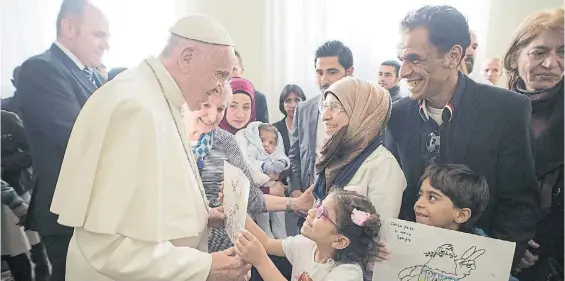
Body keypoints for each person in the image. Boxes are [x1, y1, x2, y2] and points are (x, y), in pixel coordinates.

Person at [49, 14, 252, 281]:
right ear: (187, 58)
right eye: (219, 74)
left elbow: (151, 198)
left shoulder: (161, 98)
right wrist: (205, 267)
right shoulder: (135, 108)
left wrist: (200, 217)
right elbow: (107, 246)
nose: (221, 87)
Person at [384, 5, 540, 268]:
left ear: (453, 55)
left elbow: (519, 200)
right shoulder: (397, 114)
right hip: (409, 262)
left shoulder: (506, 109)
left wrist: (497, 261)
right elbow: (395, 194)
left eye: (415, 59)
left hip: (477, 262)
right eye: (402, 59)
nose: (404, 72)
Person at [14, 0, 109, 279]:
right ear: (69, 27)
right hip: (67, 209)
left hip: (94, 207)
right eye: (99, 34)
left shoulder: (90, 75)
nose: (106, 45)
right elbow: (74, 137)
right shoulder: (41, 69)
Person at [184, 85, 313, 253]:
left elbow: (250, 196)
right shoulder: (169, 140)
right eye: (206, 105)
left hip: (224, 248)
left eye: (221, 108)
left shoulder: (227, 141)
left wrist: (296, 203)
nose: (213, 115)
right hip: (180, 248)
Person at [502, 8, 564, 280]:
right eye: (540, 52)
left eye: (562, 52)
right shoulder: (493, 110)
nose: (551, 64)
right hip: (495, 249)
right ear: (515, 57)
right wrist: (512, 243)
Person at [379, 164, 518, 281]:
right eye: (420, 195)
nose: (418, 204)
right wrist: (379, 258)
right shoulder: (402, 238)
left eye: (432, 198)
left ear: (461, 215)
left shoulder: (485, 254)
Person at [234, 189, 381, 281]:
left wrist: (261, 261)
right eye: (318, 206)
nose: (311, 212)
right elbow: (266, 243)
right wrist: (236, 206)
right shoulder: (307, 245)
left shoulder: (348, 274)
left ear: (340, 241)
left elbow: (263, 251)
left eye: (322, 213)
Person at [313, 77, 406, 220]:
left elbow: (380, 234)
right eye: (324, 106)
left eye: (335, 107)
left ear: (363, 114)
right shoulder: (335, 156)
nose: (325, 116)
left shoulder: (383, 166)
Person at [288, 40, 354, 229]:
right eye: (319, 72)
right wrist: (294, 191)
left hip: (344, 210)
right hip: (309, 207)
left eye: (332, 72)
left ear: (349, 72)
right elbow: (295, 154)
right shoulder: (304, 109)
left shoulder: (361, 111)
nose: (324, 80)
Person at [1, 111, 50, 281]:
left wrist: (4, 165)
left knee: (35, 242)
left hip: (19, 190)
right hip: (5, 197)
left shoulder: (7, 120)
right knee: (12, 250)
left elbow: (31, 152)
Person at [237, 121, 291, 239]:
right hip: (259, 188)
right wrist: (263, 165)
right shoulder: (253, 149)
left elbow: (284, 159)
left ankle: (281, 234)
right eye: (263, 140)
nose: (266, 144)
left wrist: (281, 163)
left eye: (271, 142)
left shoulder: (275, 152)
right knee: (263, 212)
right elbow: (250, 163)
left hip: (274, 187)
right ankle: (266, 233)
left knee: (280, 211)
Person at [231, 50, 270, 123]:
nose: (229, 74)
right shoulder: (212, 98)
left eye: (233, 69)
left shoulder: (258, 98)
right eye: (225, 70)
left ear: (241, 71)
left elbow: (264, 131)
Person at [273, 84, 306, 156]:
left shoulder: (310, 127)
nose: (293, 105)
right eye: (288, 101)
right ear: (282, 105)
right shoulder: (274, 129)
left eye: (297, 100)